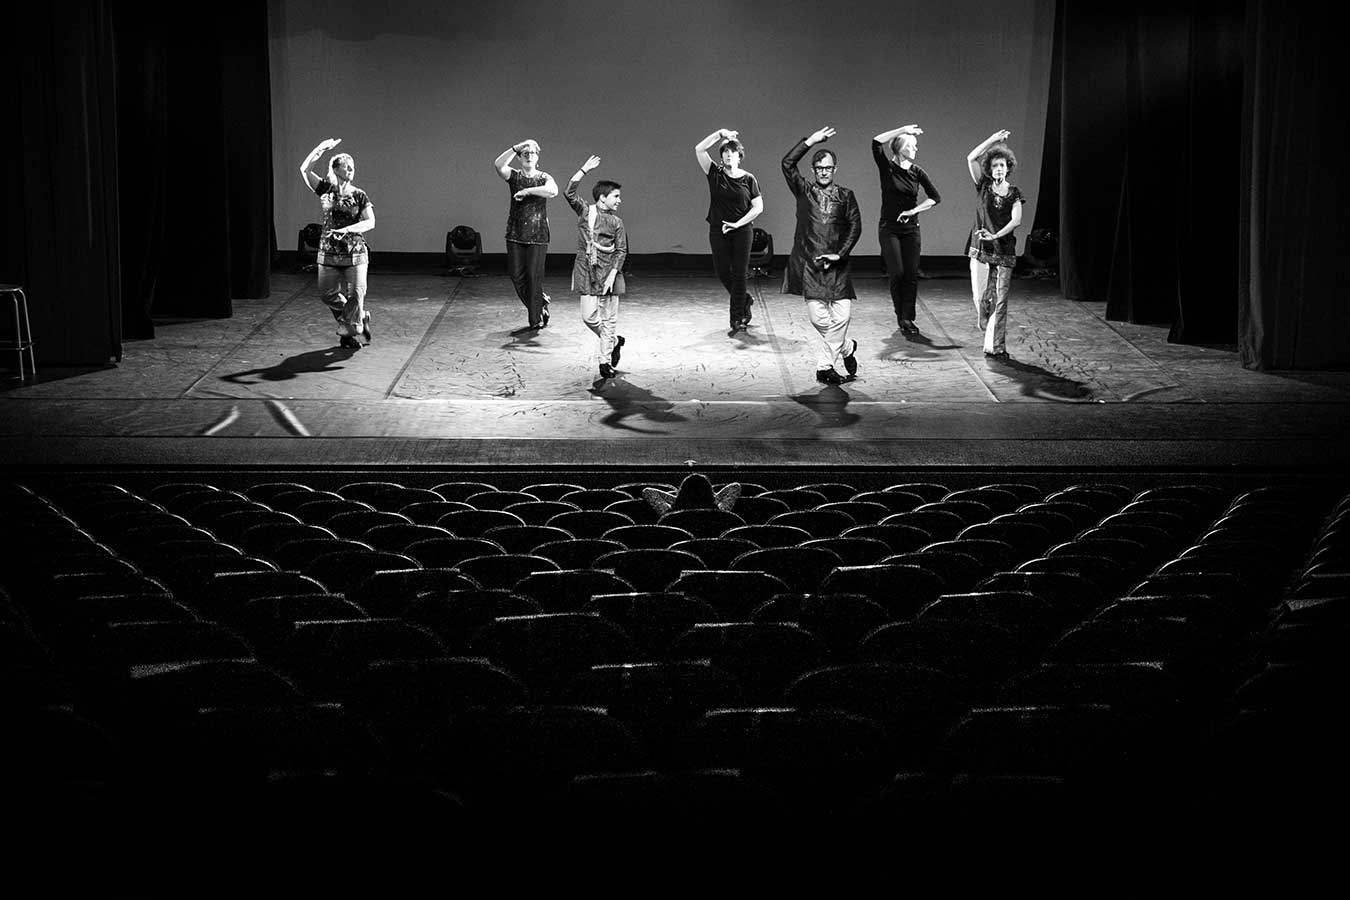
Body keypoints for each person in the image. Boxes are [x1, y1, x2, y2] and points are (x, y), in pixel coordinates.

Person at [781, 126, 863, 385]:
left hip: (837, 266)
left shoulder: (846, 196)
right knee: (820, 319)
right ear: (813, 171)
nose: (823, 172)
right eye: (819, 168)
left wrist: (840, 254)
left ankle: (824, 367)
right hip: (810, 265)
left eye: (827, 168)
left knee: (843, 316)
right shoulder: (804, 191)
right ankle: (847, 347)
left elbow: (855, 226)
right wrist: (810, 141)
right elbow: (787, 163)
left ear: (834, 169)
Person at [299, 138, 375, 350]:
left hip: (355, 252)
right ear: (335, 169)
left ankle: (350, 330)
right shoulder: (325, 189)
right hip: (329, 252)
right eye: (346, 166)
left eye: (353, 166)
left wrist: (349, 229)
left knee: (356, 294)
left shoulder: (359, 195)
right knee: (327, 293)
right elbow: (305, 170)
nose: (351, 169)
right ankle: (359, 321)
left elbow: (371, 221)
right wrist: (320, 148)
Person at [872, 123, 941, 335]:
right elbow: (876, 142)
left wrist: (914, 211)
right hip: (889, 229)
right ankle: (899, 313)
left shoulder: (916, 172)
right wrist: (902, 130)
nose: (916, 149)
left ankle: (907, 318)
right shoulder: (887, 168)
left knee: (910, 275)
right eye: (912, 145)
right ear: (901, 147)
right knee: (898, 273)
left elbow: (935, 197)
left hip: (911, 229)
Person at [564, 155, 628, 380]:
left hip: (608, 272)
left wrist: (612, 274)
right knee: (589, 317)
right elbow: (569, 193)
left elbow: (621, 251)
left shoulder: (617, 222)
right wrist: (584, 169)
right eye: (616, 196)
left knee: (610, 318)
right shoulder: (586, 211)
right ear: (602, 198)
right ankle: (612, 340)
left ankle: (605, 361)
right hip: (586, 269)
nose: (619, 200)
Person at [695, 128, 764, 334]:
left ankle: (737, 318)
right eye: (724, 152)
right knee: (723, 272)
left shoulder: (749, 179)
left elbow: (758, 207)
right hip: (719, 229)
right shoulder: (715, 174)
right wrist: (720, 134)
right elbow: (699, 149)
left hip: (742, 231)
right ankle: (745, 299)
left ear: (739, 156)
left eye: (732, 152)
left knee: (740, 274)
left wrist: (738, 223)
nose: (727, 154)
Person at [965, 130, 1025, 360]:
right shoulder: (983, 185)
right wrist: (992, 140)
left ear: (1008, 167)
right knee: (981, 296)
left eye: (1003, 165)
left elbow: (1016, 219)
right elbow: (971, 158)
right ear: (990, 169)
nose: (999, 169)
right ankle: (982, 313)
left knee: (1001, 299)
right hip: (981, 249)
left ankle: (995, 345)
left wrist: (996, 235)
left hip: (1004, 249)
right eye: (995, 165)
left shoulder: (1014, 192)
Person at [494, 139, 558, 331]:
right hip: (515, 232)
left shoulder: (544, 177)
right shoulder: (513, 176)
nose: (529, 156)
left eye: (532, 153)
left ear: (538, 157)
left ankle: (535, 319)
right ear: (520, 157)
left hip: (538, 234)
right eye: (525, 153)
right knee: (516, 275)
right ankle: (540, 302)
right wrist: (517, 147)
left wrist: (528, 191)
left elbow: (553, 191)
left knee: (534, 277)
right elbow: (498, 165)